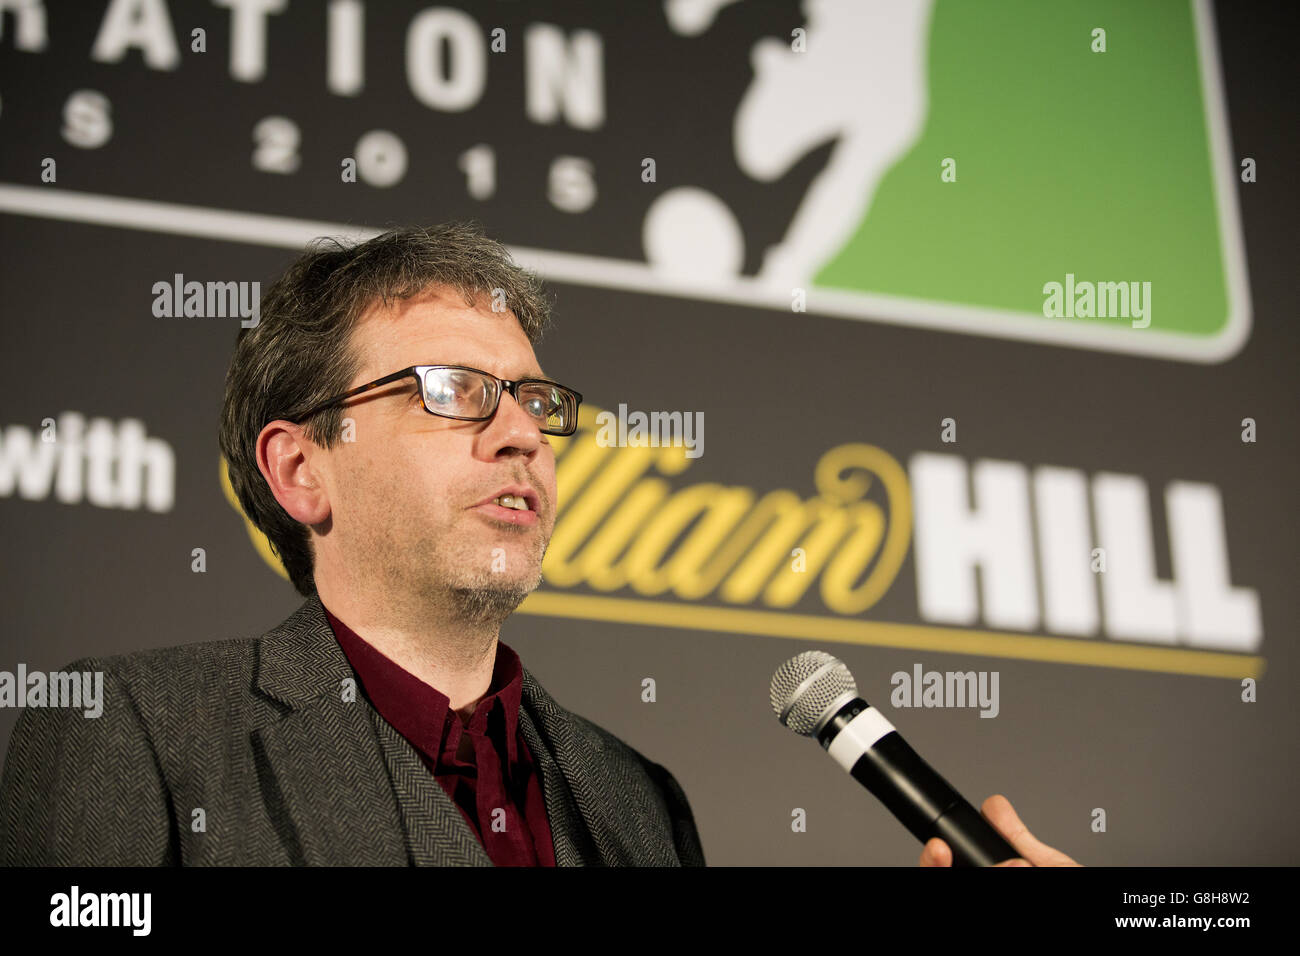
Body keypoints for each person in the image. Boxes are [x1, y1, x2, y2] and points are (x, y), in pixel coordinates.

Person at [0, 222, 1074, 868]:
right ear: (300, 469)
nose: (522, 430)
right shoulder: (127, 732)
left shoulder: (638, 798)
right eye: (455, 391)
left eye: (531, 398)